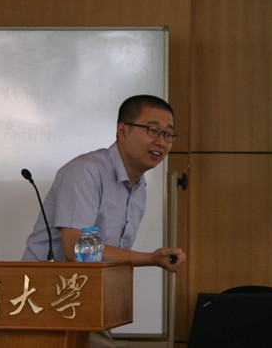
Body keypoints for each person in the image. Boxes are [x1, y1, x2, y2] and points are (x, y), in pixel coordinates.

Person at [22, 94, 186, 348]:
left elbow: (107, 257)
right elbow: (76, 249)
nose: (161, 142)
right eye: (153, 131)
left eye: (168, 134)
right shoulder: (87, 171)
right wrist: (151, 259)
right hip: (46, 299)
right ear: (122, 131)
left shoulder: (138, 187)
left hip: (86, 301)